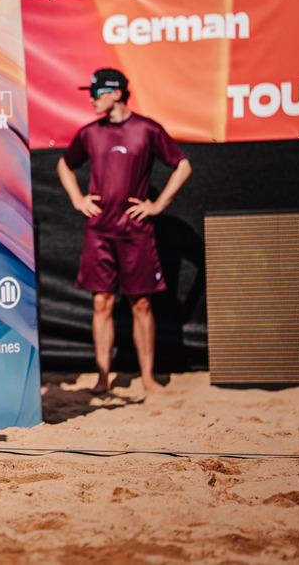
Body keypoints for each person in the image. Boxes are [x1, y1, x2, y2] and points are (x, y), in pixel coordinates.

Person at [56, 69, 192, 395]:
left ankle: (147, 378)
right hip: (99, 232)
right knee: (101, 303)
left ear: (116, 93)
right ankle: (103, 378)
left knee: (141, 304)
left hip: (136, 232)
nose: (91, 98)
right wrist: (77, 198)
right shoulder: (90, 133)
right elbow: (64, 164)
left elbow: (183, 165)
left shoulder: (146, 130)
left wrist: (157, 205)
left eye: (96, 92)